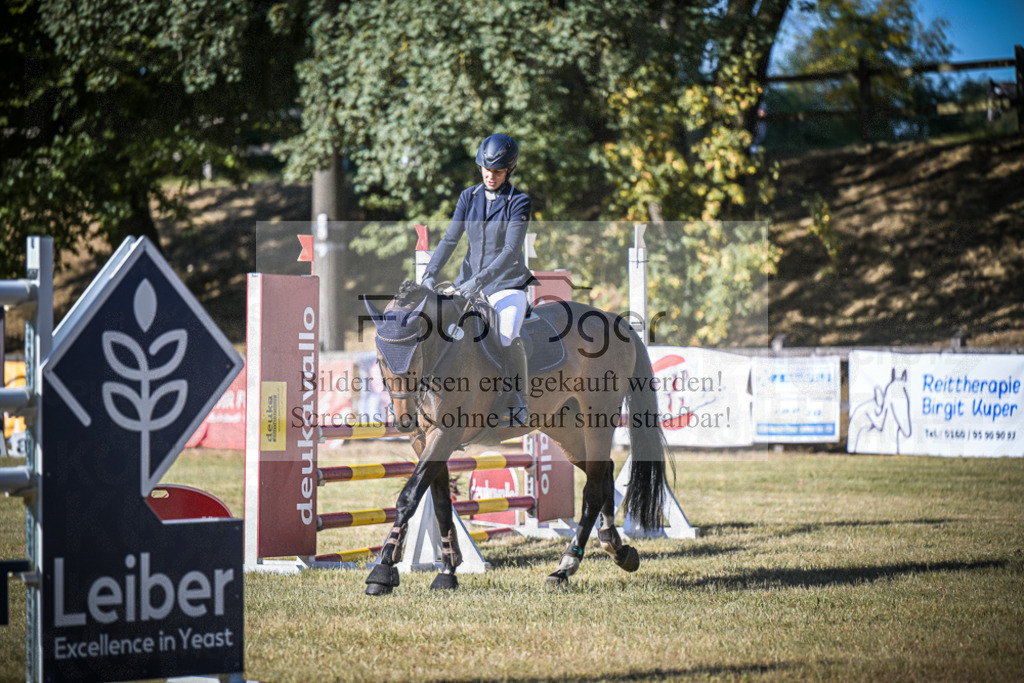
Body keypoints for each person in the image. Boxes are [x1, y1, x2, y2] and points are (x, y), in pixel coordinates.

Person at [420, 133, 532, 426]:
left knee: (506, 334)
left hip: (506, 285)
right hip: (466, 283)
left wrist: (478, 281)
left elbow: (509, 251)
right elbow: (450, 239)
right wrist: (430, 274)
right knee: (438, 325)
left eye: (497, 171)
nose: (490, 175)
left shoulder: (518, 202)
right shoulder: (468, 197)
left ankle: (518, 398)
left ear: (509, 170)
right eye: (486, 169)